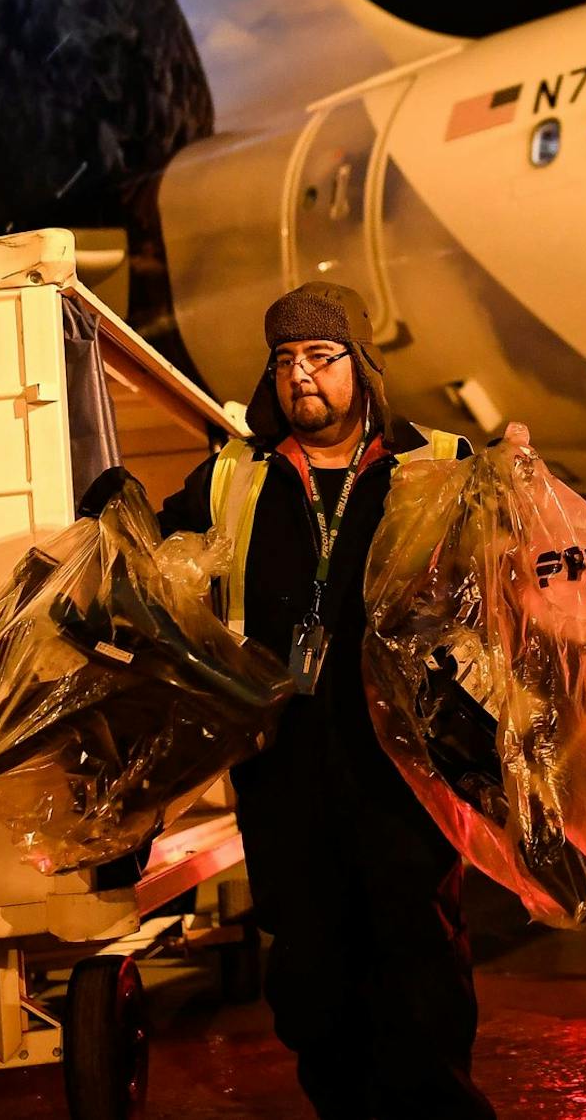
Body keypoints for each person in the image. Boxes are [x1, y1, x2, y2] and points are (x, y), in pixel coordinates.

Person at [160, 281, 494, 1120]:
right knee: (311, 979)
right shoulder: (233, 477)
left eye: (319, 355)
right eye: (284, 359)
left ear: (362, 364)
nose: (299, 374)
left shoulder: (437, 462)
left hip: (403, 767)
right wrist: (114, 513)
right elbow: (154, 561)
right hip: (286, 769)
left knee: (418, 962)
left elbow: (513, 573)